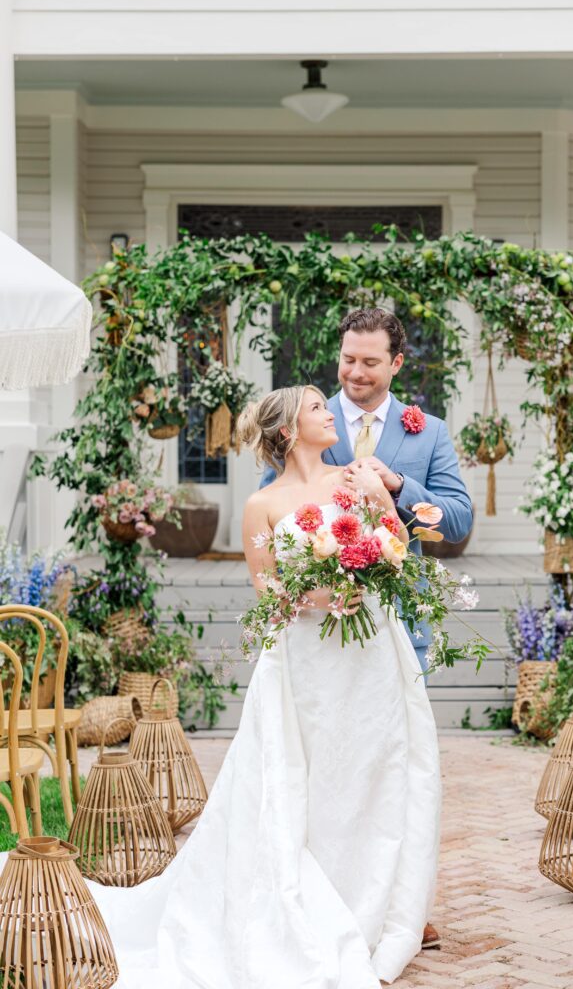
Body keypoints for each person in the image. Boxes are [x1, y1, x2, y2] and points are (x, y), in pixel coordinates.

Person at [8, 384, 441, 989]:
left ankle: (368, 901)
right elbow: (267, 592)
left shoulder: (357, 476)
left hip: (368, 655)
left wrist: (371, 561)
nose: (330, 412)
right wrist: (315, 595)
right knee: (303, 776)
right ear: (289, 430)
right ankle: (308, 903)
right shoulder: (262, 505)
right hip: (305, 662)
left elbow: (395, 544)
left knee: (372, 768)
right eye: (317, 407)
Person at [261, 307, 473, 675]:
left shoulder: (431, 432)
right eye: (349, 359)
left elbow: (458, 521)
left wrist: (400, 487)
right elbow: (270, 526)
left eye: (371, 362)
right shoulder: (299, 423)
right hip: (316, 631)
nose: (356, 372)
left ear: (397, 363)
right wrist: (310, 595)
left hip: (400, 622)